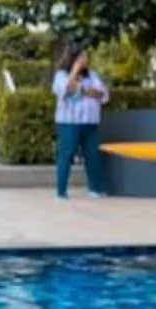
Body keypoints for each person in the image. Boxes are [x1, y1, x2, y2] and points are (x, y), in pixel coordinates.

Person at [51, 40, 109, 199]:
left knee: (92, 154)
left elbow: (101, 93)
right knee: (66, 155)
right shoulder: (61, 75)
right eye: (82, 56)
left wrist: (81, 90)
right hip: (68, 122)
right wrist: (75, 72)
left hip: (90, 122)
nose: (86, 60)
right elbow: (66, 89)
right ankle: (61, 191)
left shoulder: (93, 76)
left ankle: (95, 188)